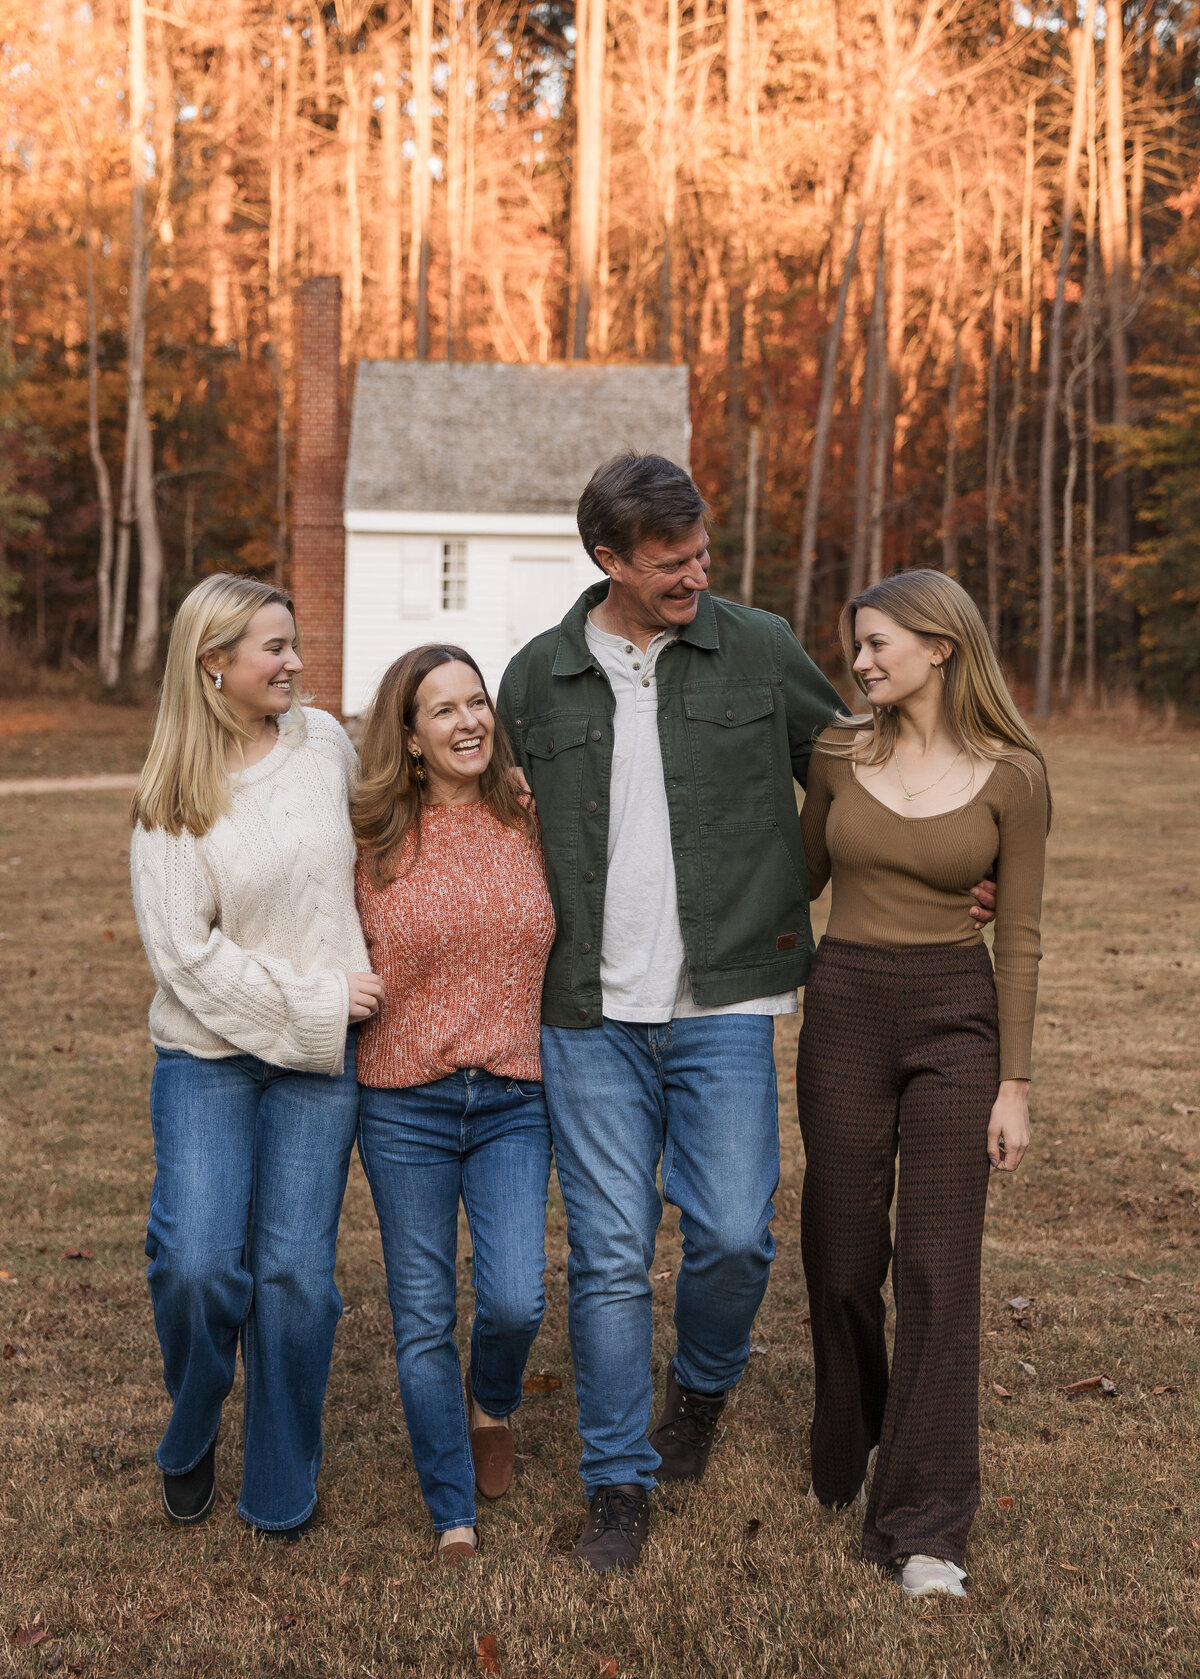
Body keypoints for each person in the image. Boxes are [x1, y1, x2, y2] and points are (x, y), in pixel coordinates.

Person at [497, 450, 1001, 1574]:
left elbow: (867, 765)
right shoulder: (535, 678)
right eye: (671, 560)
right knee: (614, 1254)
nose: (695, 572)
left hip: (727, 997)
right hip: (586, 1011)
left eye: (701, 551)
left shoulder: (759, 649)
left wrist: (960, 855)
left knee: (731, 1231)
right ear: (608, 559)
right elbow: (485, 809)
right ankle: (617, 1482)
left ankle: (706, 1387)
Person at [797, 568, 1049, 1599]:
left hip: (957, 1014)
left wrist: (1015, 1082)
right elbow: (794, 876)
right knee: (847, 1254)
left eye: (877, 643)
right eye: (855, 645)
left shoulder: (1014, 774)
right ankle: (854, 1432)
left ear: (940, 646)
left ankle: (929, 1523)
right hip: (846, 1005)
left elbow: (1022, 932)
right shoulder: (834, 752)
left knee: (941, 1269)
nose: (859, 662)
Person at [129, 574, 383, 1537]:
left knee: (294, 1280)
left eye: (294, 642)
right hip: (210, 1057)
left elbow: (390, 819)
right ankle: (193, 1424)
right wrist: (319, 1002)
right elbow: (185, 959)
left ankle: (279, 1482)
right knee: (197, 1265)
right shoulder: (172, 800)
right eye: (273, 647)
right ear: (214, 664)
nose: (294, 661)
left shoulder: (323, 744)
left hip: (316, 1073)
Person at [352, 645, 555, 1565]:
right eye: (445, 710)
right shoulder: (368, 837)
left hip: (514, 1093)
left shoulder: (530, 813)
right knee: (423, 1313)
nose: (470, 720)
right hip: (405, 1103)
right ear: (411, 736)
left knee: (514, 1298)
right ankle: (452, 1512)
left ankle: (493, 1402)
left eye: (478, 702)